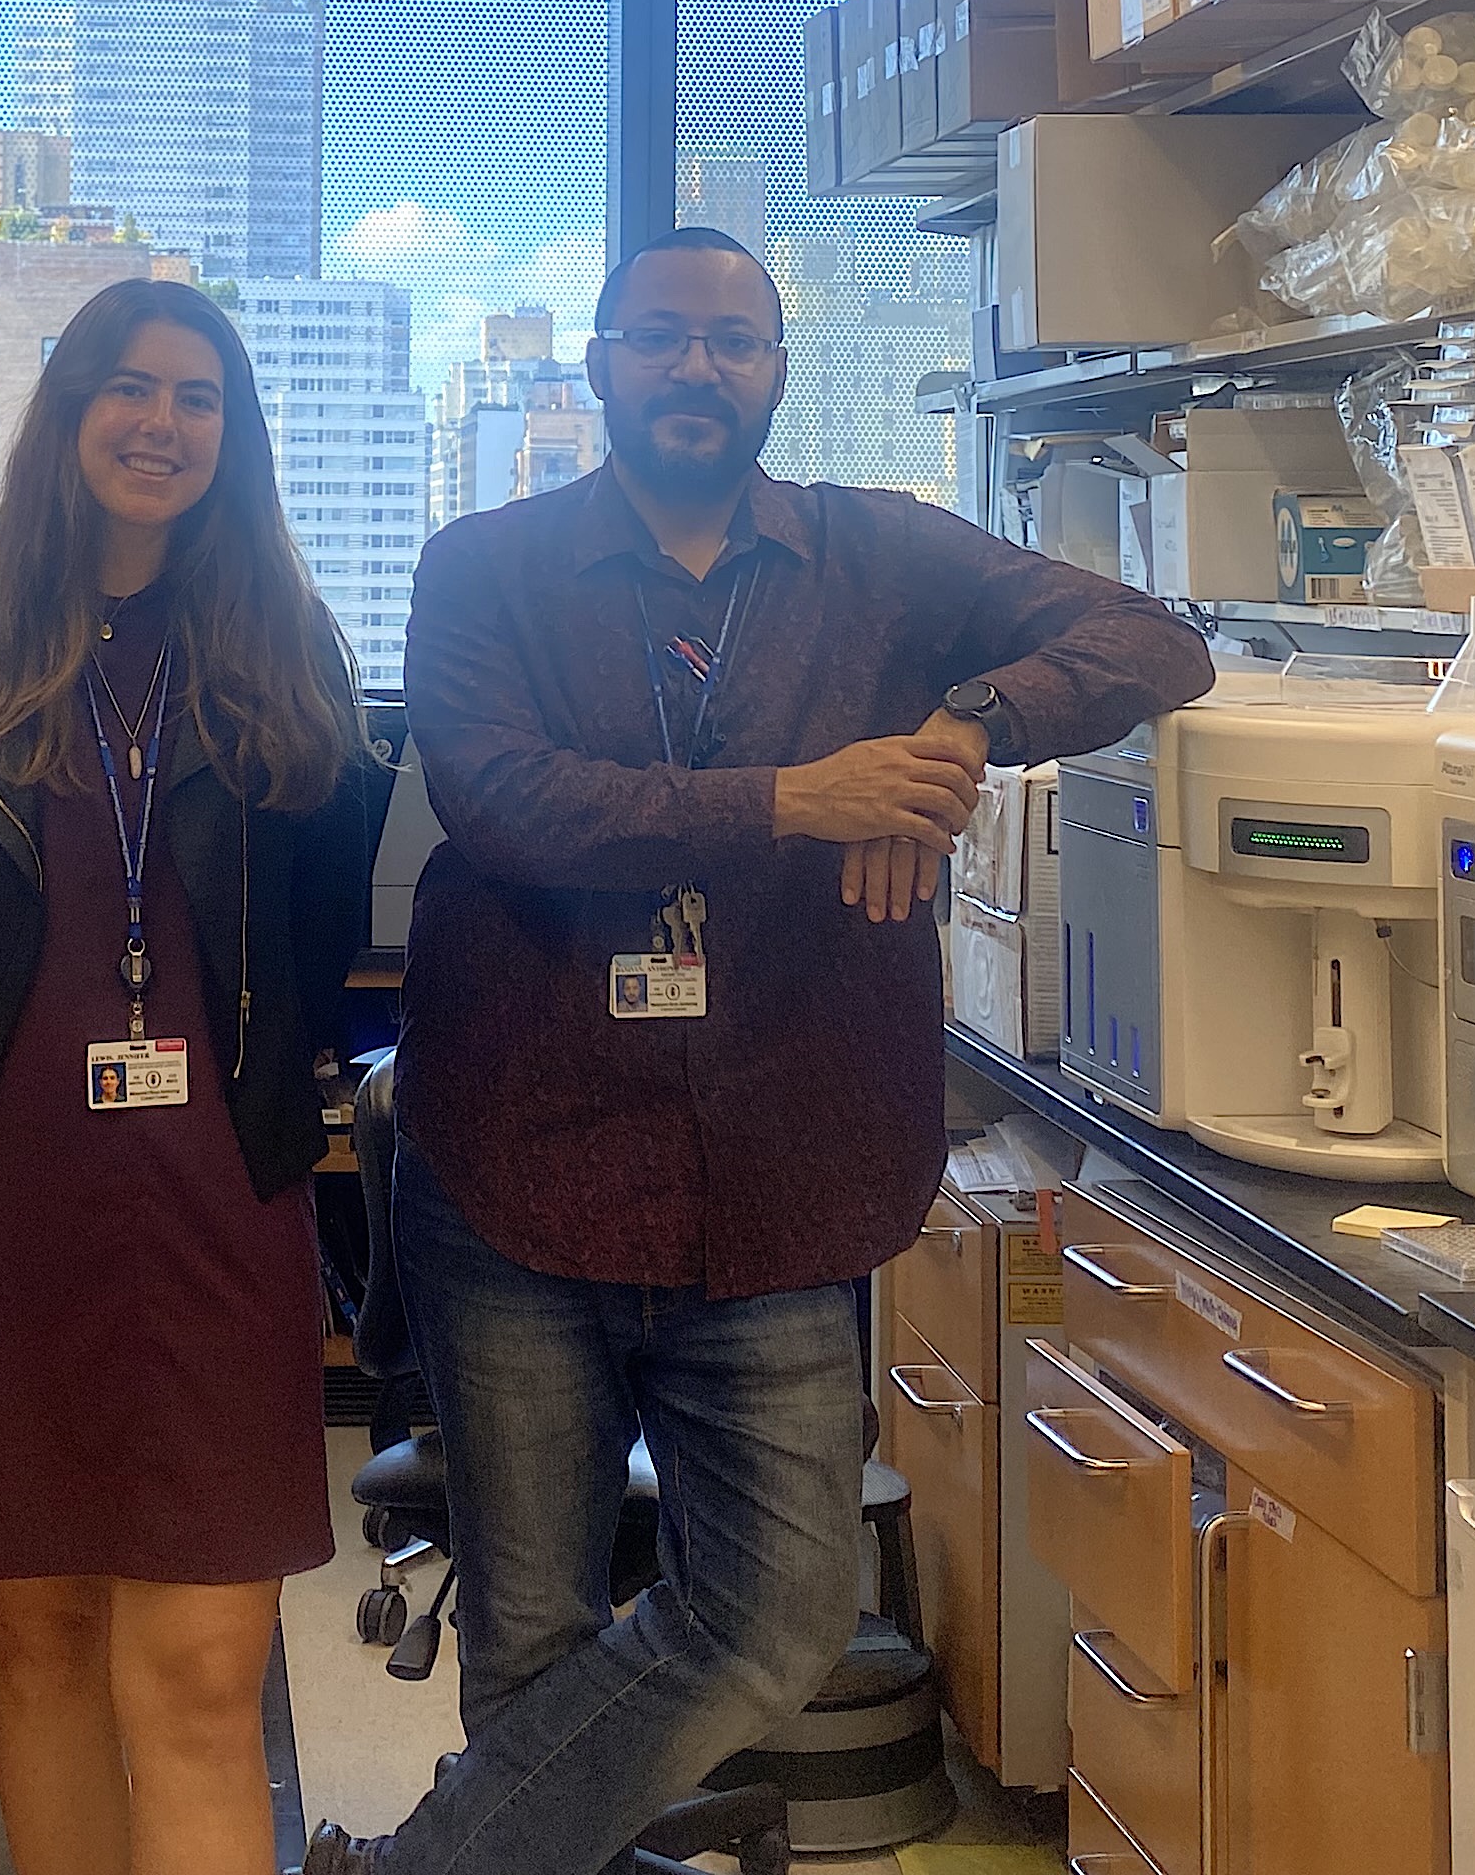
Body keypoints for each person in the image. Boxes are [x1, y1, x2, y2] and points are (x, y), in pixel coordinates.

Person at [305, 227, 1214, 1875]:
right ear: (599, 363)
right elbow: (511, 802)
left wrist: (961, 729)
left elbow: (1156, 642)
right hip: (525, 1159)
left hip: (781, 1173)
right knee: (532, 1626)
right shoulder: (484, 565)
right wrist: (806, 801)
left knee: (784, 1606)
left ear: (779, 374)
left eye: (734, 341)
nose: (698, 367)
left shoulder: (886, 561)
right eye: (661, 337)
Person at [0, 276, 389, 1875]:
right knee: (43, 1647)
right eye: (131, 390)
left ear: (237, 436)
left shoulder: (286, 653)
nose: (163, 424)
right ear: (70, 414)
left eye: (200, 398)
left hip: (219, 1201)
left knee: (210, 1677)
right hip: (1, 1207)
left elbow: (320, 933)